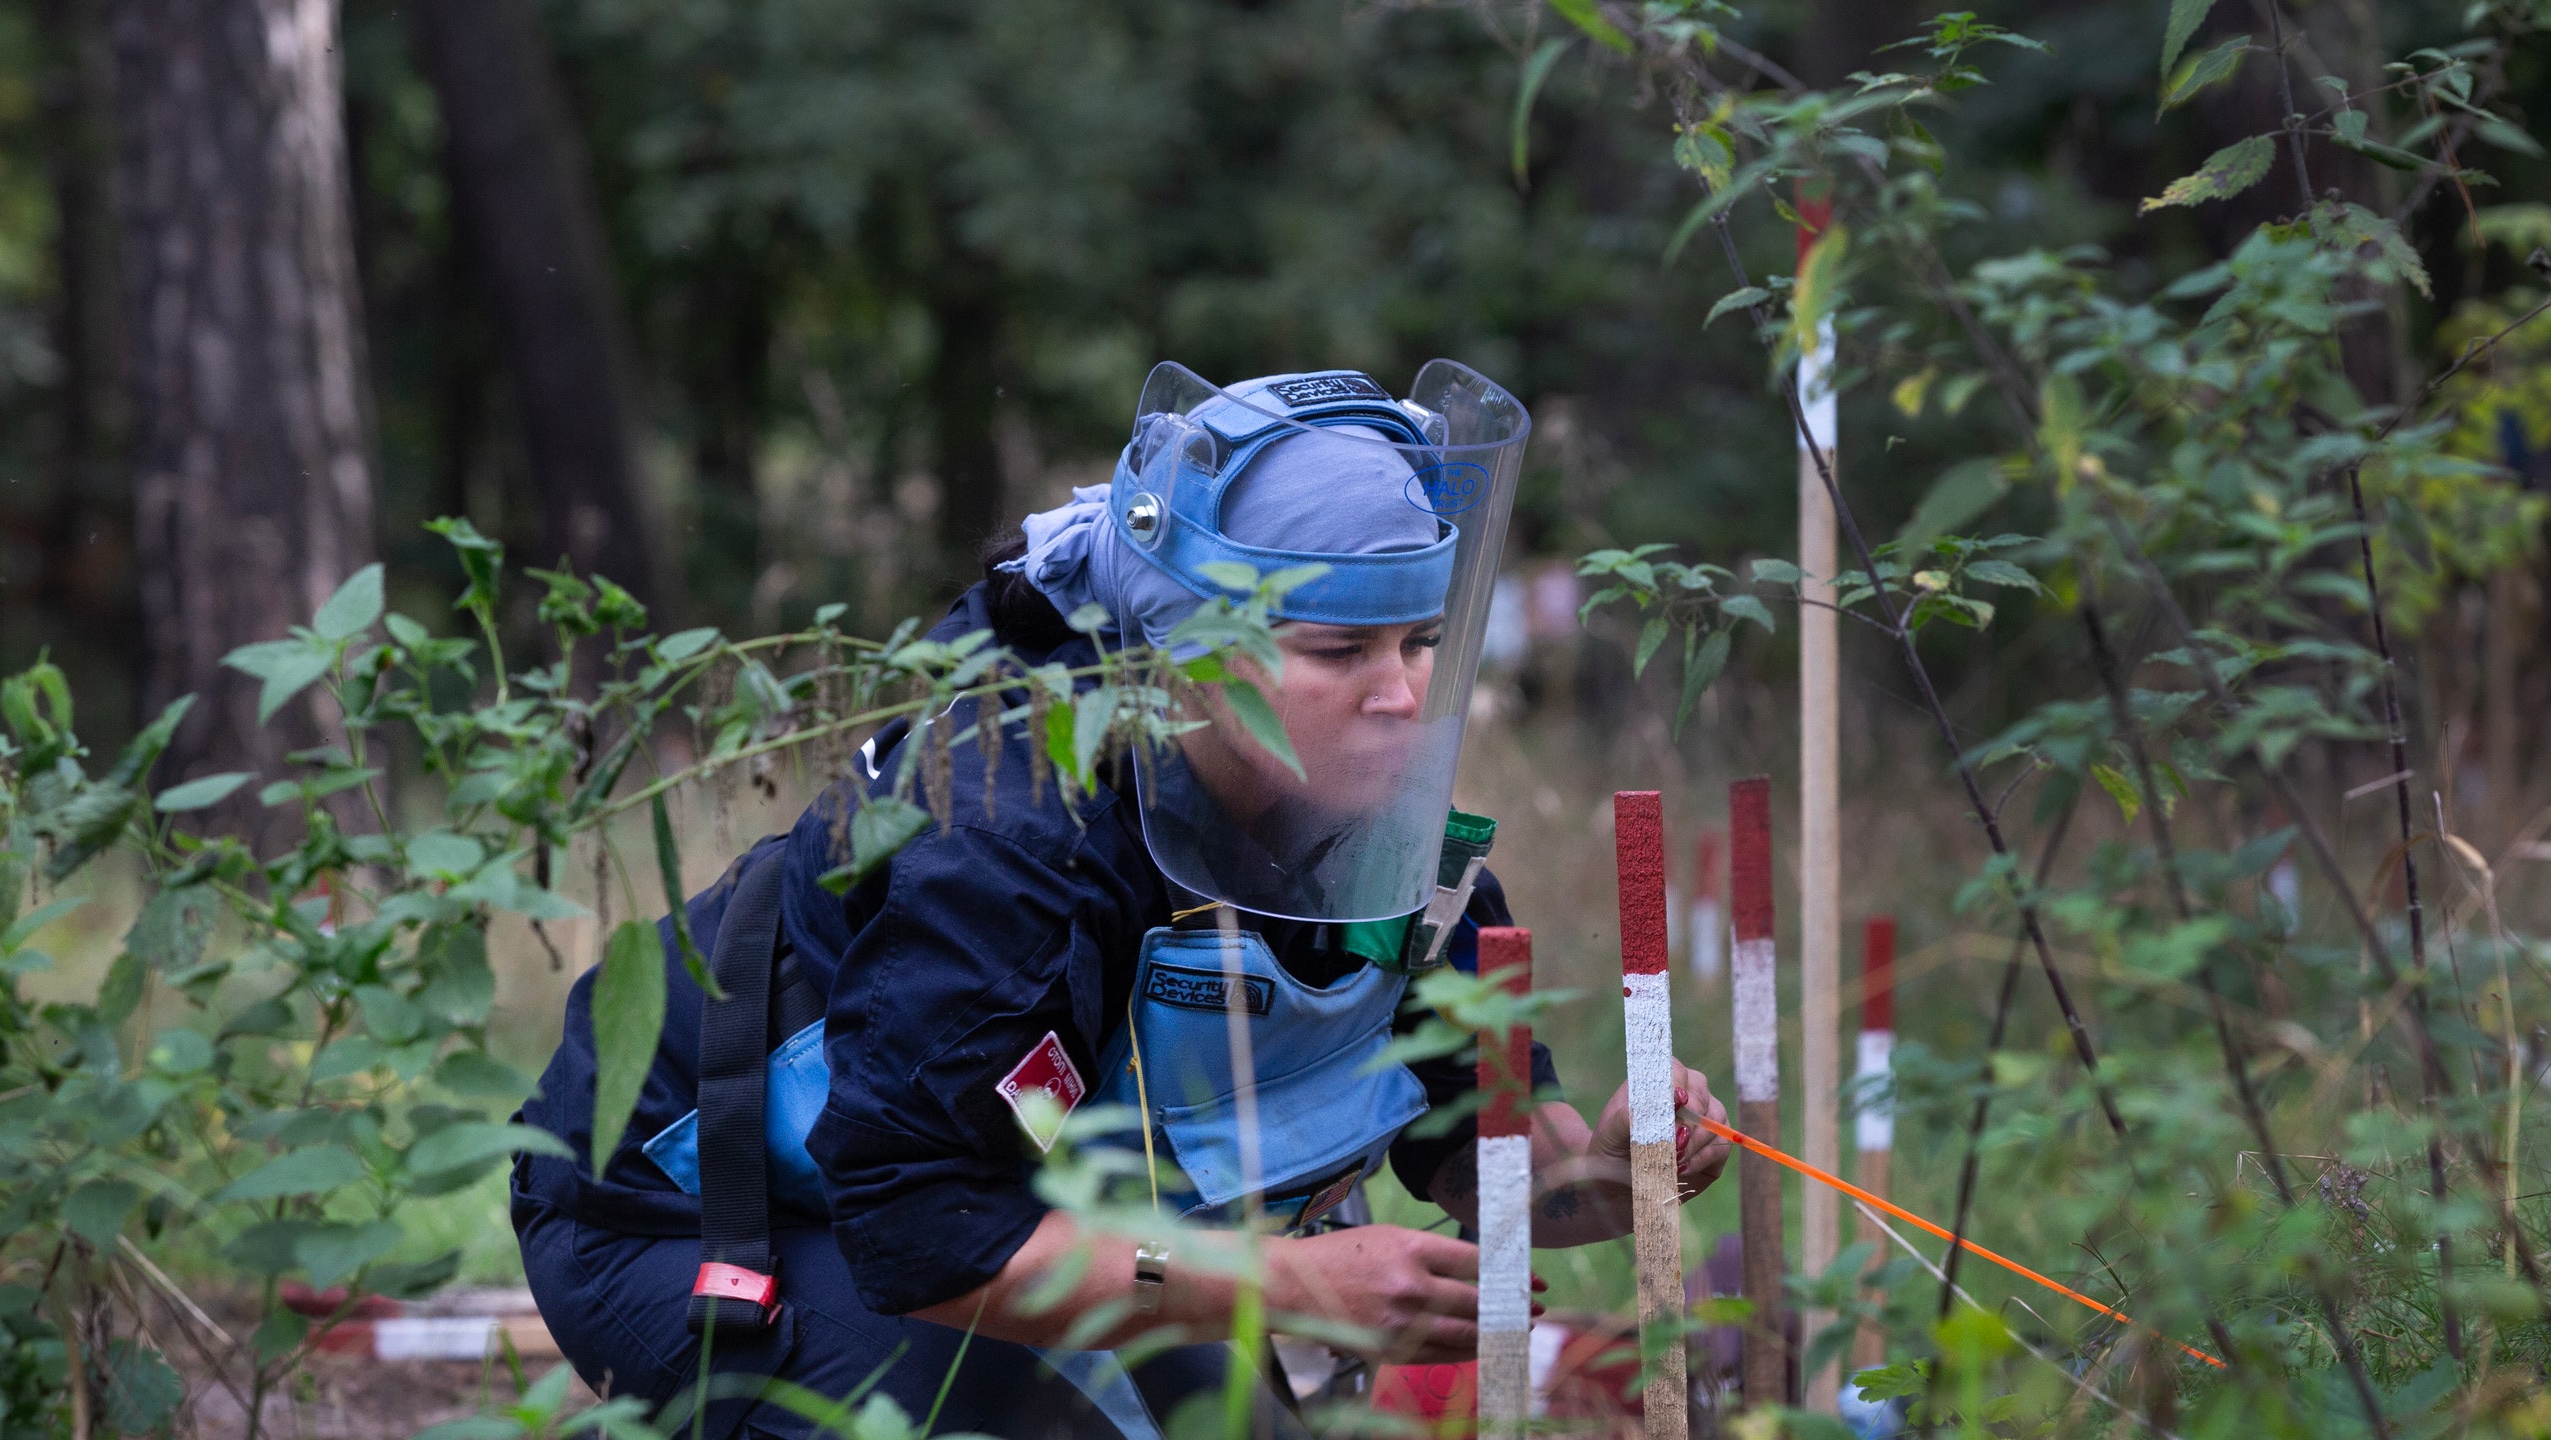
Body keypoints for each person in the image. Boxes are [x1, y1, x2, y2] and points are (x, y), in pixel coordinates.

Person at [511, 363, 1734, 1440]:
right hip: (694, 1215)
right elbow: (921, 1231)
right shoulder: (1015, 831)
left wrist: (1619, 1173)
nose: (1403, 699)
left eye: (1420, 643)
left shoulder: (1393, 848)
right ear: (1184, 651)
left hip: (1016, 1216)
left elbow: (1484, 1165)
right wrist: (1288, 1285)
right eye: (1337, 653)